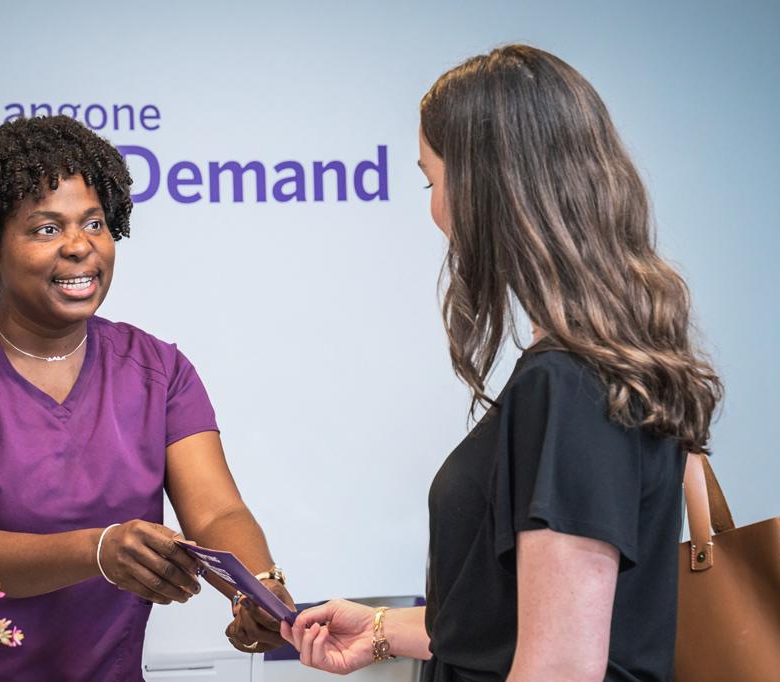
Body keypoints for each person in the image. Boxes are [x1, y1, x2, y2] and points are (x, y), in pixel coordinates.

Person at [281, 45, 723, 682]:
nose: (435, 212)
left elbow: (560, 668)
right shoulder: (593, 369)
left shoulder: (567, 384)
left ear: (488, 187)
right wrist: (381, 629)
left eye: (433, 182)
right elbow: (518, 624)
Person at [0, 115, 292, 680]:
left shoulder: (158, 370)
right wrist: (101, 550)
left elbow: (217, 512)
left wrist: (256, 589)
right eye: (46, 229)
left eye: (93, 223)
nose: (79, 247)